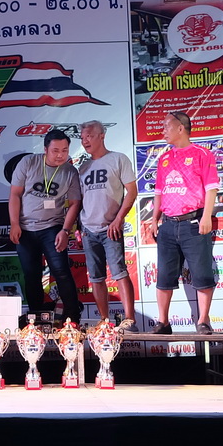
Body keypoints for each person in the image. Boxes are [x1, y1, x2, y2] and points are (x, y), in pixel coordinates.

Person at [140, 111, 220, 334]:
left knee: (202, 274)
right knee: (164, 276)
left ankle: (203, 321)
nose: (163, 130)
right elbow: (158, 192)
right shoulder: (164, 158)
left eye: (167, 126)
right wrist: (154, 219)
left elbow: (211, 188)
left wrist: (206, 216)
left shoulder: (203, 154)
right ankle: (163, 322)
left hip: (193, 222)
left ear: (180, 128)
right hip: (168, 224)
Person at [9, 128, 82, 324]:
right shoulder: (28, 163)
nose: (60, 155)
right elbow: (15, 194)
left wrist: (65, 231)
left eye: (65, 150)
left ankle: (72, 318)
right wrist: (14, 223)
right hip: (25, 228)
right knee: (31, 275)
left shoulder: (70, 171)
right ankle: (36, 319)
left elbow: (74, 203)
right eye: (55, 150)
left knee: (61, 272)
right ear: (45, 149)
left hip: (52, 228)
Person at [78, 120, 138, 327]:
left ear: (102, 136)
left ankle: (129, 320)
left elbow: (132, 191)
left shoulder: (118, 159)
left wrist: (119, 219)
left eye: (89, 136)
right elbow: (79, 200)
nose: (85, 141)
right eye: (82, 137)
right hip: (88, 229)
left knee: (120, 272)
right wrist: (79, 227)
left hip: (111, 227)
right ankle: (104, 322)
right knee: (96, 277)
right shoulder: (82, 167)